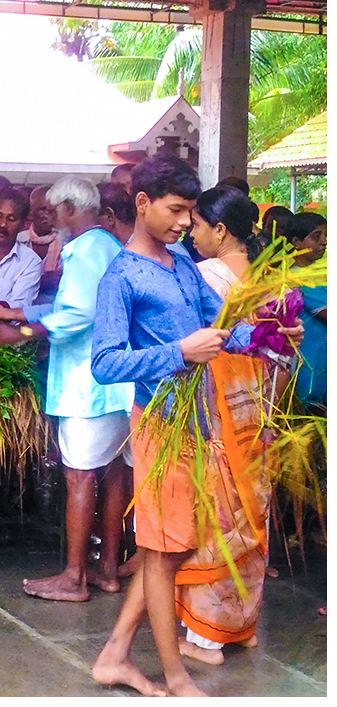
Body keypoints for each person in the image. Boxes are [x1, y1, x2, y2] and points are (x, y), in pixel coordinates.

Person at [89, 155, 302, 696]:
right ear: (143, 204)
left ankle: (115, 655)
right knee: (163, 553)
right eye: (176, 210)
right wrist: (176, 353)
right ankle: (177, 677)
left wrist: (268, 338)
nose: (186, 222)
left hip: (201, 425)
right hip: (162, 426)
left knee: (175, 547)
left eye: (190, 212)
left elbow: (220, 331)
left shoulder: (181, 263)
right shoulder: (121, 275)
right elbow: (106, 363)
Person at [0, 177, 134, 601]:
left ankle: (73, 577)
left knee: (79, 475)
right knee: (116, 472)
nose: (45, 217)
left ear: (68, 208)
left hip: (89, 384)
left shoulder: (83, 251)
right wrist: (18, 310)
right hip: (120, 385)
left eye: (50, 209)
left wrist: (24, 331)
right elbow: (74, 305)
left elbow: (78, 314)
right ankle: (106, 569)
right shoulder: (107, 245)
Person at [175, 185, 272, 664]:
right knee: (251, 512)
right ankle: (244, 627)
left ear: (220, 229)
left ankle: (206, 638)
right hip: (258, 412)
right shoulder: (266, 277)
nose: (189, 234)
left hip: (215, 415)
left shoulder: (204, 277)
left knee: (215, 517)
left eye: (195, 225)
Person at [286, 212, 326, 411]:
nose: (324, 242)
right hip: (309, 367)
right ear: (296, 242)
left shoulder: (316, 275)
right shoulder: (298, 278)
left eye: (325, 236)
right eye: (316, 236)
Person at [17, 185, 63, 303]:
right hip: (18, 311)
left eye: (52, 210)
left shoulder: (68, 244)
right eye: (42, 209)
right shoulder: (17, 241)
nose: (47, 215)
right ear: (31, 212)